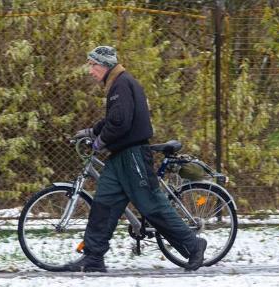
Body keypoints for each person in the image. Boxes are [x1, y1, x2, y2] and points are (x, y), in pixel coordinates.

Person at [63, 45, 206, 273]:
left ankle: (193, 244)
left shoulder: (121, 84)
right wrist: (92, 131)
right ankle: (93, 257)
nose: (90, 70)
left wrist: (98, 142)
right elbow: (113, 119)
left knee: (151, 204)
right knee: (104, 204)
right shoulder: (117, 84)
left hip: (133, 156)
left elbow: (120, 124)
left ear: (105, 65)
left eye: (93, 65)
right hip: (119, 157)